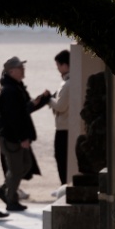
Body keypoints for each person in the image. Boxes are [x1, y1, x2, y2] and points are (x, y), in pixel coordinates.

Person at [0, 55, 50, 212]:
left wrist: (43, 100)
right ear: (11, 71)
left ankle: (4, 190)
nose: (23, 70)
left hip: (16, 136)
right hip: (11, 137)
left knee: (25, 166)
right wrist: (22, 138)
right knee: (17, 169)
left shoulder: (16, 87)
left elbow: (24, 110)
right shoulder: (9, 90)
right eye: (20, 68)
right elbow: (14, 118)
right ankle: (11, 199)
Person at [48, 49, 71, 192]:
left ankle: (64, 187)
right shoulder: (67, 82)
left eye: (58, 65)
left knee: (62, 159)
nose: (58, 69)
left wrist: (47, 99)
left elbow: (60, 106)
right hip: (64, 126)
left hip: (64, 128)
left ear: (64, 65)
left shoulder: (68, 83)